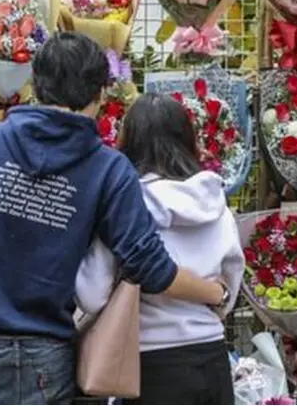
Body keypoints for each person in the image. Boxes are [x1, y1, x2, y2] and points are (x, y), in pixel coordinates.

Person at [0, 32, 229, 405]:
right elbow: (149, 267)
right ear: (99, 95)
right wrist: (216, 292)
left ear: (35, 82)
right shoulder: (107, 169)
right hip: (44, 360)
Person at [76, 93, 243, 405]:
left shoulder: (124, 208)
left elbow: (91, 293)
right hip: (212, 356)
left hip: (150, 363)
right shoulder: (215, 202)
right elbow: (228, 288)